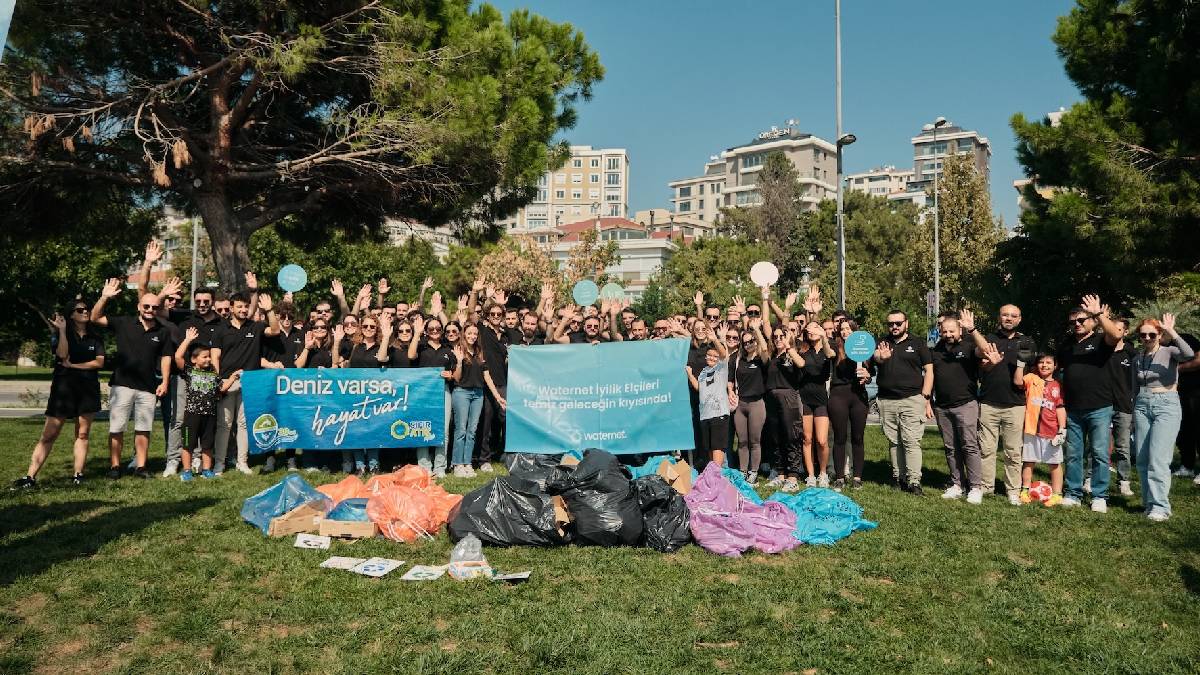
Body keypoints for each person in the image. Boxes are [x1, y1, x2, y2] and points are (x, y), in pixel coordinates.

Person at [12, 304, 105, 488]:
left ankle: (78, 475)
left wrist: (75, 366)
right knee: (49, 435)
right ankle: (30, 477)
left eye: (86, 309)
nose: (85, 311)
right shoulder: (60, 335)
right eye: (80, 310)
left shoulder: (96, 337)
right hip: (63, 390)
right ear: (71, 315)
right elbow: (62, 355)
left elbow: (99, 362)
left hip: (87, 389)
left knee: (83, 433)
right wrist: (62, 331)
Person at [90, 278, 172, 479]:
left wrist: (165, 382)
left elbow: (166, 358)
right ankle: (115, 466)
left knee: (143, 428)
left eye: (154, 307)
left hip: (148, 387)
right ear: (139, 306)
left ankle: (141, 467)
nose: (150, 309)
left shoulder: (162, 331)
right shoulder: (123, 322)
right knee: (117, 427)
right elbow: (94, 318)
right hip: (122, 385)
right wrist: (104, 298)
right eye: (146, 306)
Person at [1056, 295, 1121, 511]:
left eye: (1081, 320)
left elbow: (1116, 334)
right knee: (1073, 454)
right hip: (1073, 408)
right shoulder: (1066, 346)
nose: (1077, 324)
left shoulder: (1102, 340)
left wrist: (1099, 314)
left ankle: (1099, 495)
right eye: (1072, 322)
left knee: (1100, 454)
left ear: (1092, 321)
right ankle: (1073, 492)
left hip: (1099, 407)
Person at [969, 304, 1036, 503]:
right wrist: (992, 362)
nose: (1009, 318)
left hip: (1016, 404)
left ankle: (1013, 490)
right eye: (1005, 315)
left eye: (1013, 316)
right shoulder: (989, 339)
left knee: (1013, 451)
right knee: (986, 449)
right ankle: (986, 486)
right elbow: (982, 367)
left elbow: (1028, 374)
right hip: (989, 402)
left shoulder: (1027, 342)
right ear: (999, 317)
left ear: (1019, 319)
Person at [211, 286, 280, 475]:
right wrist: (219, 381)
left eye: (245, 307)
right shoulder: (220, 329)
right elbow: (214, 356)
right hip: (227, 381)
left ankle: (242, 462)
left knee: (243, 424)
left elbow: (275, 330)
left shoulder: (255, 327)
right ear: (231, 308)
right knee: (224, 425)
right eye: (239, 307)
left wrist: (269, 310)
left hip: (250, 382)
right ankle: (219, 463)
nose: (242, 310)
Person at [1132, 314, 1194, 521]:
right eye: (1143, 335)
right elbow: (1134, 386)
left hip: (1166, 404)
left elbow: (1189, 354)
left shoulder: (1170, 352)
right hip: (1142, 405)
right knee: (1142, 458)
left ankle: (1161, 506)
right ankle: (1149, 503)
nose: (1147, 338)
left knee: (1158, 458)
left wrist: (1172, 331)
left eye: (1152, 334)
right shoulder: (1137, 358)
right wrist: (1133, 410)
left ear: (1159, 335)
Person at [872, 309, 934, 494]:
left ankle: (914, 481)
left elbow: (929, 370)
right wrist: (881, 358)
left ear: (906, 323)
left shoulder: (918, 343)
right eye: (890, 324)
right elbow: (875, 357)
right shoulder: (882, 342)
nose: (894, 327)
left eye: (898, 323)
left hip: (912, 399)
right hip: (887, 400)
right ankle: (898, 478)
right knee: (894, 441)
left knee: (911, 441)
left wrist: (925, 396)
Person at [931, 313, 984, 504]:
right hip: (942, 407)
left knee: (969, 446)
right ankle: (957, 484)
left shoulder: (969, 345)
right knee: (951, 447)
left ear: (959, 330)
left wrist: (973, 330)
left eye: (952, 330)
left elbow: (985, 350)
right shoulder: (936, 350)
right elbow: (931, 376)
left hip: (966, 404)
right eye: (944, 331)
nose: (948, 334)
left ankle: (976, 487)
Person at [172, 327, 230, 480]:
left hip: (209, 415)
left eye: (209, 357)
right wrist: (187, 340)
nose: (209, 359)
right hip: (192, 415)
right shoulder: (190, 371)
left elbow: (222, 388)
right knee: (188, 445)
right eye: (204, 357)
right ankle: (186, 471)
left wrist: (233, 378)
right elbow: (177, 357)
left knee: (207, 445)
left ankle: (206, 470)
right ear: (194, 359)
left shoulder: (213, 374)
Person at [341, 313, 392, 475]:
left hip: (375, 395)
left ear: (376, 329)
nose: (368, 329)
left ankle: (374, 464)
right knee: (356, 430)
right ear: (360, 328)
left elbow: (382, 358)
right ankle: (360, 466)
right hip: (354, 394)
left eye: (372, 326)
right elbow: (343, 364)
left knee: (373, 430)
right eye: (365, 326)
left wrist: (385, 337)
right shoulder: (354, 346)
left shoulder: (381, 345)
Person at [1013, 353, 1066, 507]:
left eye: (1049, 362)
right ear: (1037, 365)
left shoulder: (1058, 385)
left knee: (1054, 463)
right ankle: (1025, 490)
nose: (1044, 365)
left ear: (1055, 366)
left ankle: (1057, 494)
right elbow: (1017, 381)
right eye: (1041, 362)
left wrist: (1062, 429)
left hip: (1051, 432)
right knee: (1029, 461)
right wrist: (1020, 364)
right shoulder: (1031, 378)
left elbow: (1060, 408)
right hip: (1031, 430)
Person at [409, 311, 456, 479]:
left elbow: (455, 374)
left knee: (443, 430)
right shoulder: (420, 346)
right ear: (426, 331)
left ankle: (440, 466)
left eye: (438, 329)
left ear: (442, 331)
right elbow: (410, 355)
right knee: (422, 429)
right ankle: (424, 466)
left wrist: (450, 376)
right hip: (423, 393)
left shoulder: (448, 350)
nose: (435, 331)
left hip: (443, 391)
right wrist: (416, 333)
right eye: (431, 329)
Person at [729, 296, 769, 484]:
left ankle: (754, 471)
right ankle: (742, 471)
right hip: (741, 404)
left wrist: (756, 331)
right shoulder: (738, 360)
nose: (748, 344)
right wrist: (730, 391)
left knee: (755, 440)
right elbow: (730, 380)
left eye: (751, 341)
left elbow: (765, 348)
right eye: (745, 342)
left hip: (756, 404)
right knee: (742, 441)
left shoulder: (761, 359)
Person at [828, 320, 872, 490]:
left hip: (858, 396)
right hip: (839, 395)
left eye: (849, 329)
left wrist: (866, 376)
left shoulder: (865, 350)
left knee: (858, 438)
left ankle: (857, 477)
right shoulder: (834, 347)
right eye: (842, 329)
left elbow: (870, 374)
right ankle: (839, 477)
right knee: (839, 438)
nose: (845, 332)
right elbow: (827, 350)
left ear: (855, 331)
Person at [686, 315, 732, 469]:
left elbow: (724, 354)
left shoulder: (721, 366)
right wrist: (690, 374)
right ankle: (712, 476)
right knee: (709, 449)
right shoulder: (704, 371)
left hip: (718, 412)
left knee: (718, 447)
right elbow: (699, 387)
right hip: (705, 413)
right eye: (709, 356)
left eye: (714, 356)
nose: (712, 358)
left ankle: (719, 477)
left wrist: (716, 339)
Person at [764, 321, 805, 492]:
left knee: (791, 436)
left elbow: (801, 364)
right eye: (775, 337)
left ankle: (793, 476)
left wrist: (789, 346)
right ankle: (780, 474)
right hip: (772, 398)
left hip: (789, 397)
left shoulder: (792, 354)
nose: (778, 339)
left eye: (782, 336)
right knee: (776, 437)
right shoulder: (773, 357)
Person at [797, 320, 834, 487]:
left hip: (820, 400)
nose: (809, 331)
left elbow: (830, 354)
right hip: (805, 399)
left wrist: (823, 337)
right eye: (808, 328)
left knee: (821, 440)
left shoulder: (826, 349)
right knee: (807, 439)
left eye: (814, 328)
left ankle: (823, 473)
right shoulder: (804, 350)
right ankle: (811, 475)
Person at [1103, 318, 1137, 496]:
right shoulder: (1102, 351)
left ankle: (1124, 481)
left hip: (1123, 405)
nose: (1114, 332)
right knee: (1097, 444)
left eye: (1118, 329)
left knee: (1123, 446)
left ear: (1125, 332)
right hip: (1102, 404)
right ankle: (1089, 478)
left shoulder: (1132, 353)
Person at [451, 324, 488, 477]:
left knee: (472, 431)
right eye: (469, 333)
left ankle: (467, 463)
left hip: (478, 394)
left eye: (475, 333)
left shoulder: (479, 352)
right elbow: (456, 378)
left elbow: (486, 376)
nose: (472, 336)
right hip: (462, 393)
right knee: (461, 430)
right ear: (464, 334)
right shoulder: (458, 350)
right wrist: (459, 361)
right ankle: (457, 464)